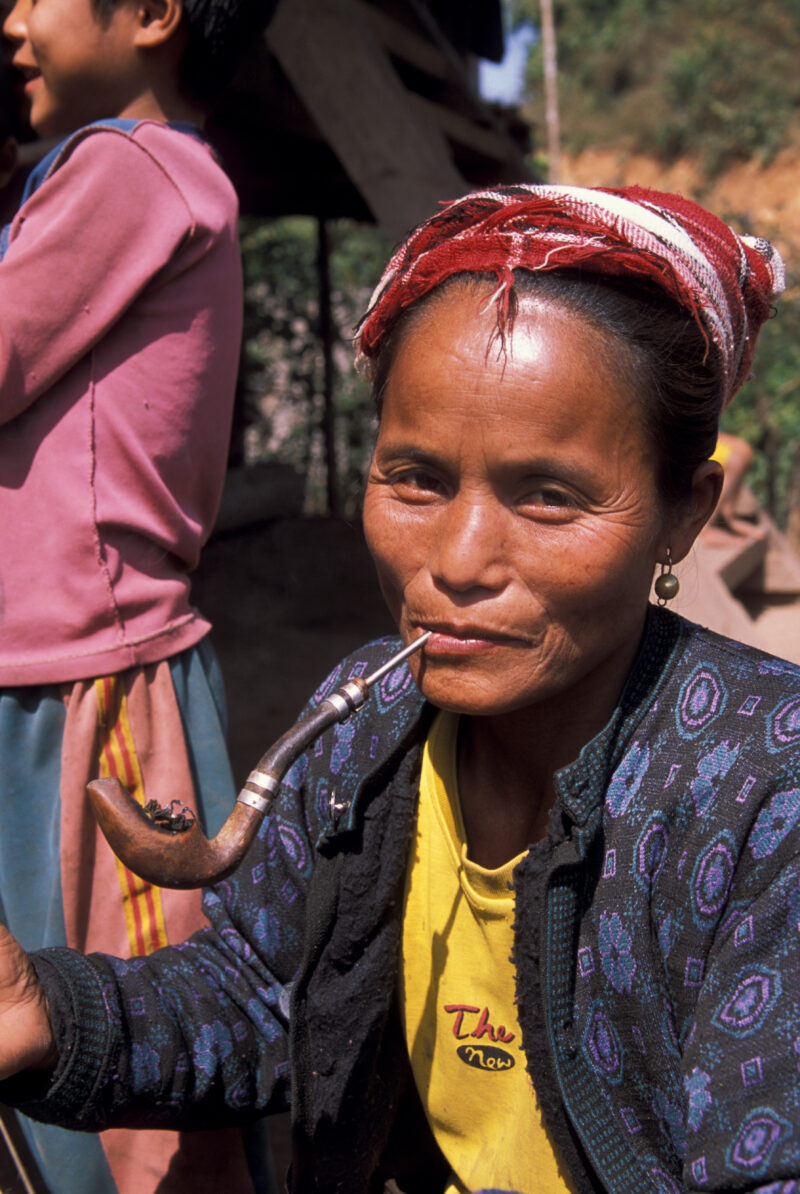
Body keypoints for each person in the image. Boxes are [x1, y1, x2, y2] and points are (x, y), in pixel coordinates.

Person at [0, 184, 793, 1194]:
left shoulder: (764, 794)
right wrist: (48, 1015)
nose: (456, 562)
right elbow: (261, 994)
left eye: (546, 497)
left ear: (682, 512)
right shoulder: (362, 728)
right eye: (414, 479)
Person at [0, 1, 277, 1191]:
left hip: (85, 690)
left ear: (155, 12)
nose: (9, 17)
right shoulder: (110, 172)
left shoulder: (132, 165)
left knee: (117, 1083)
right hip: (48, 668)